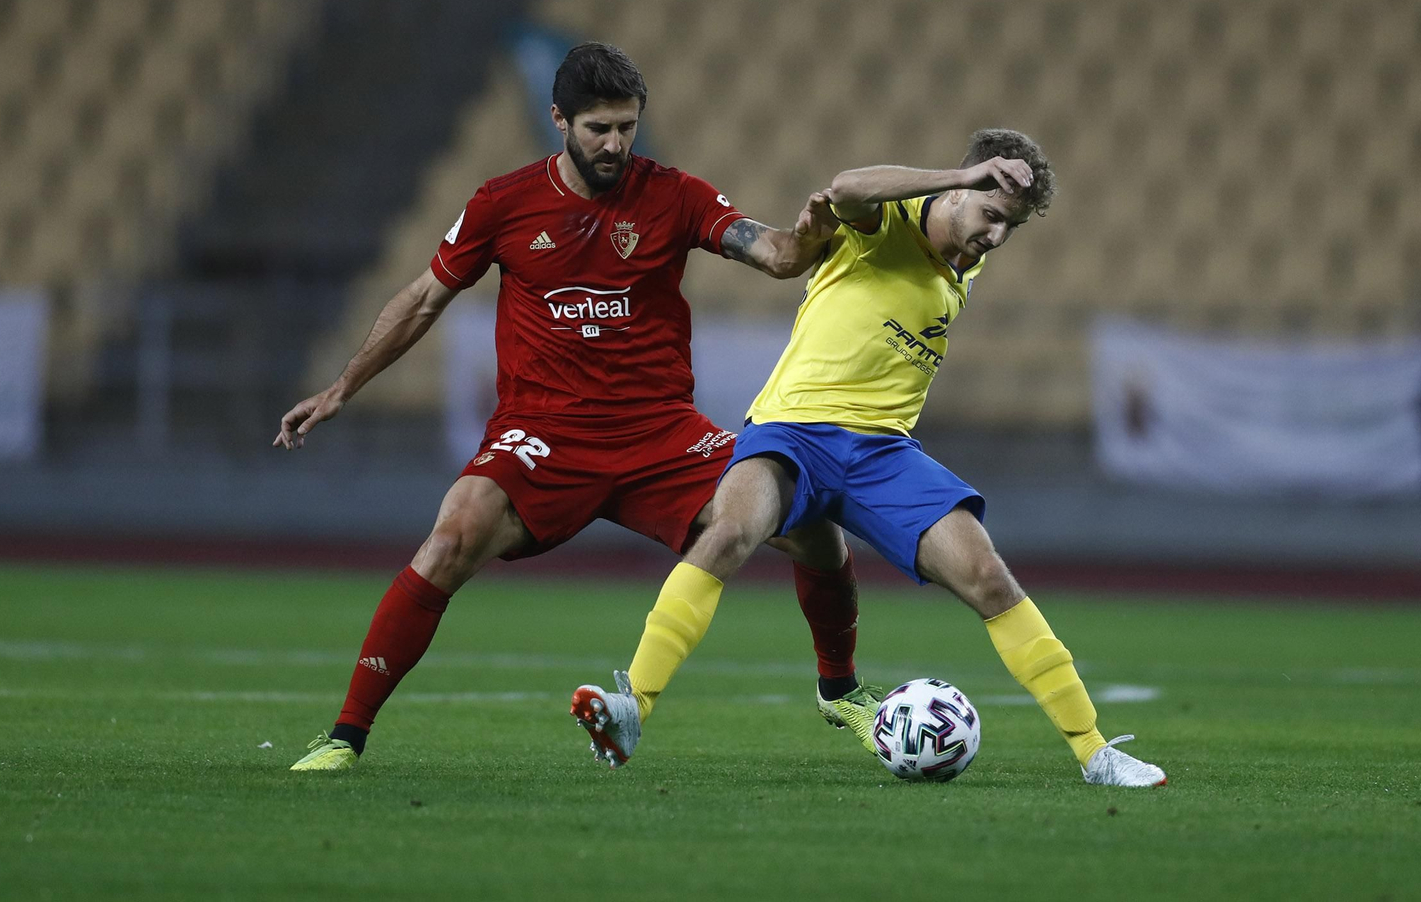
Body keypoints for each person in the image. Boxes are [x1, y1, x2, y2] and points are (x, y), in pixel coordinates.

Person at [276, 43, 880, 771]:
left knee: (813, 527)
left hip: (661, 434)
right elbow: (424, 299)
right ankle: (345, 736)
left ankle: (840, 690)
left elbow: (778, 255)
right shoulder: (502, 203)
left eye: (627, 127)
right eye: (599, 128)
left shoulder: (676, 195)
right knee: (452, 535)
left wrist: (814, 230)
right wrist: (343, 386)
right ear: (559, 120)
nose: (615, 144)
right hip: (543, 434)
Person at [571, 128, 1168, 787]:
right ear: (960, 189)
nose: (997, 235)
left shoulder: (966, 258)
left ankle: (1096, 753)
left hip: (882, 452)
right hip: (792, 431)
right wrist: (958, 176)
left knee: (989, 577)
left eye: (1012, 226)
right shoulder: (887, 223)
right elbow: (846, 188)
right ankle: (633, 707)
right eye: (991, 214)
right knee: (730, 532)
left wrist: (981, 203)